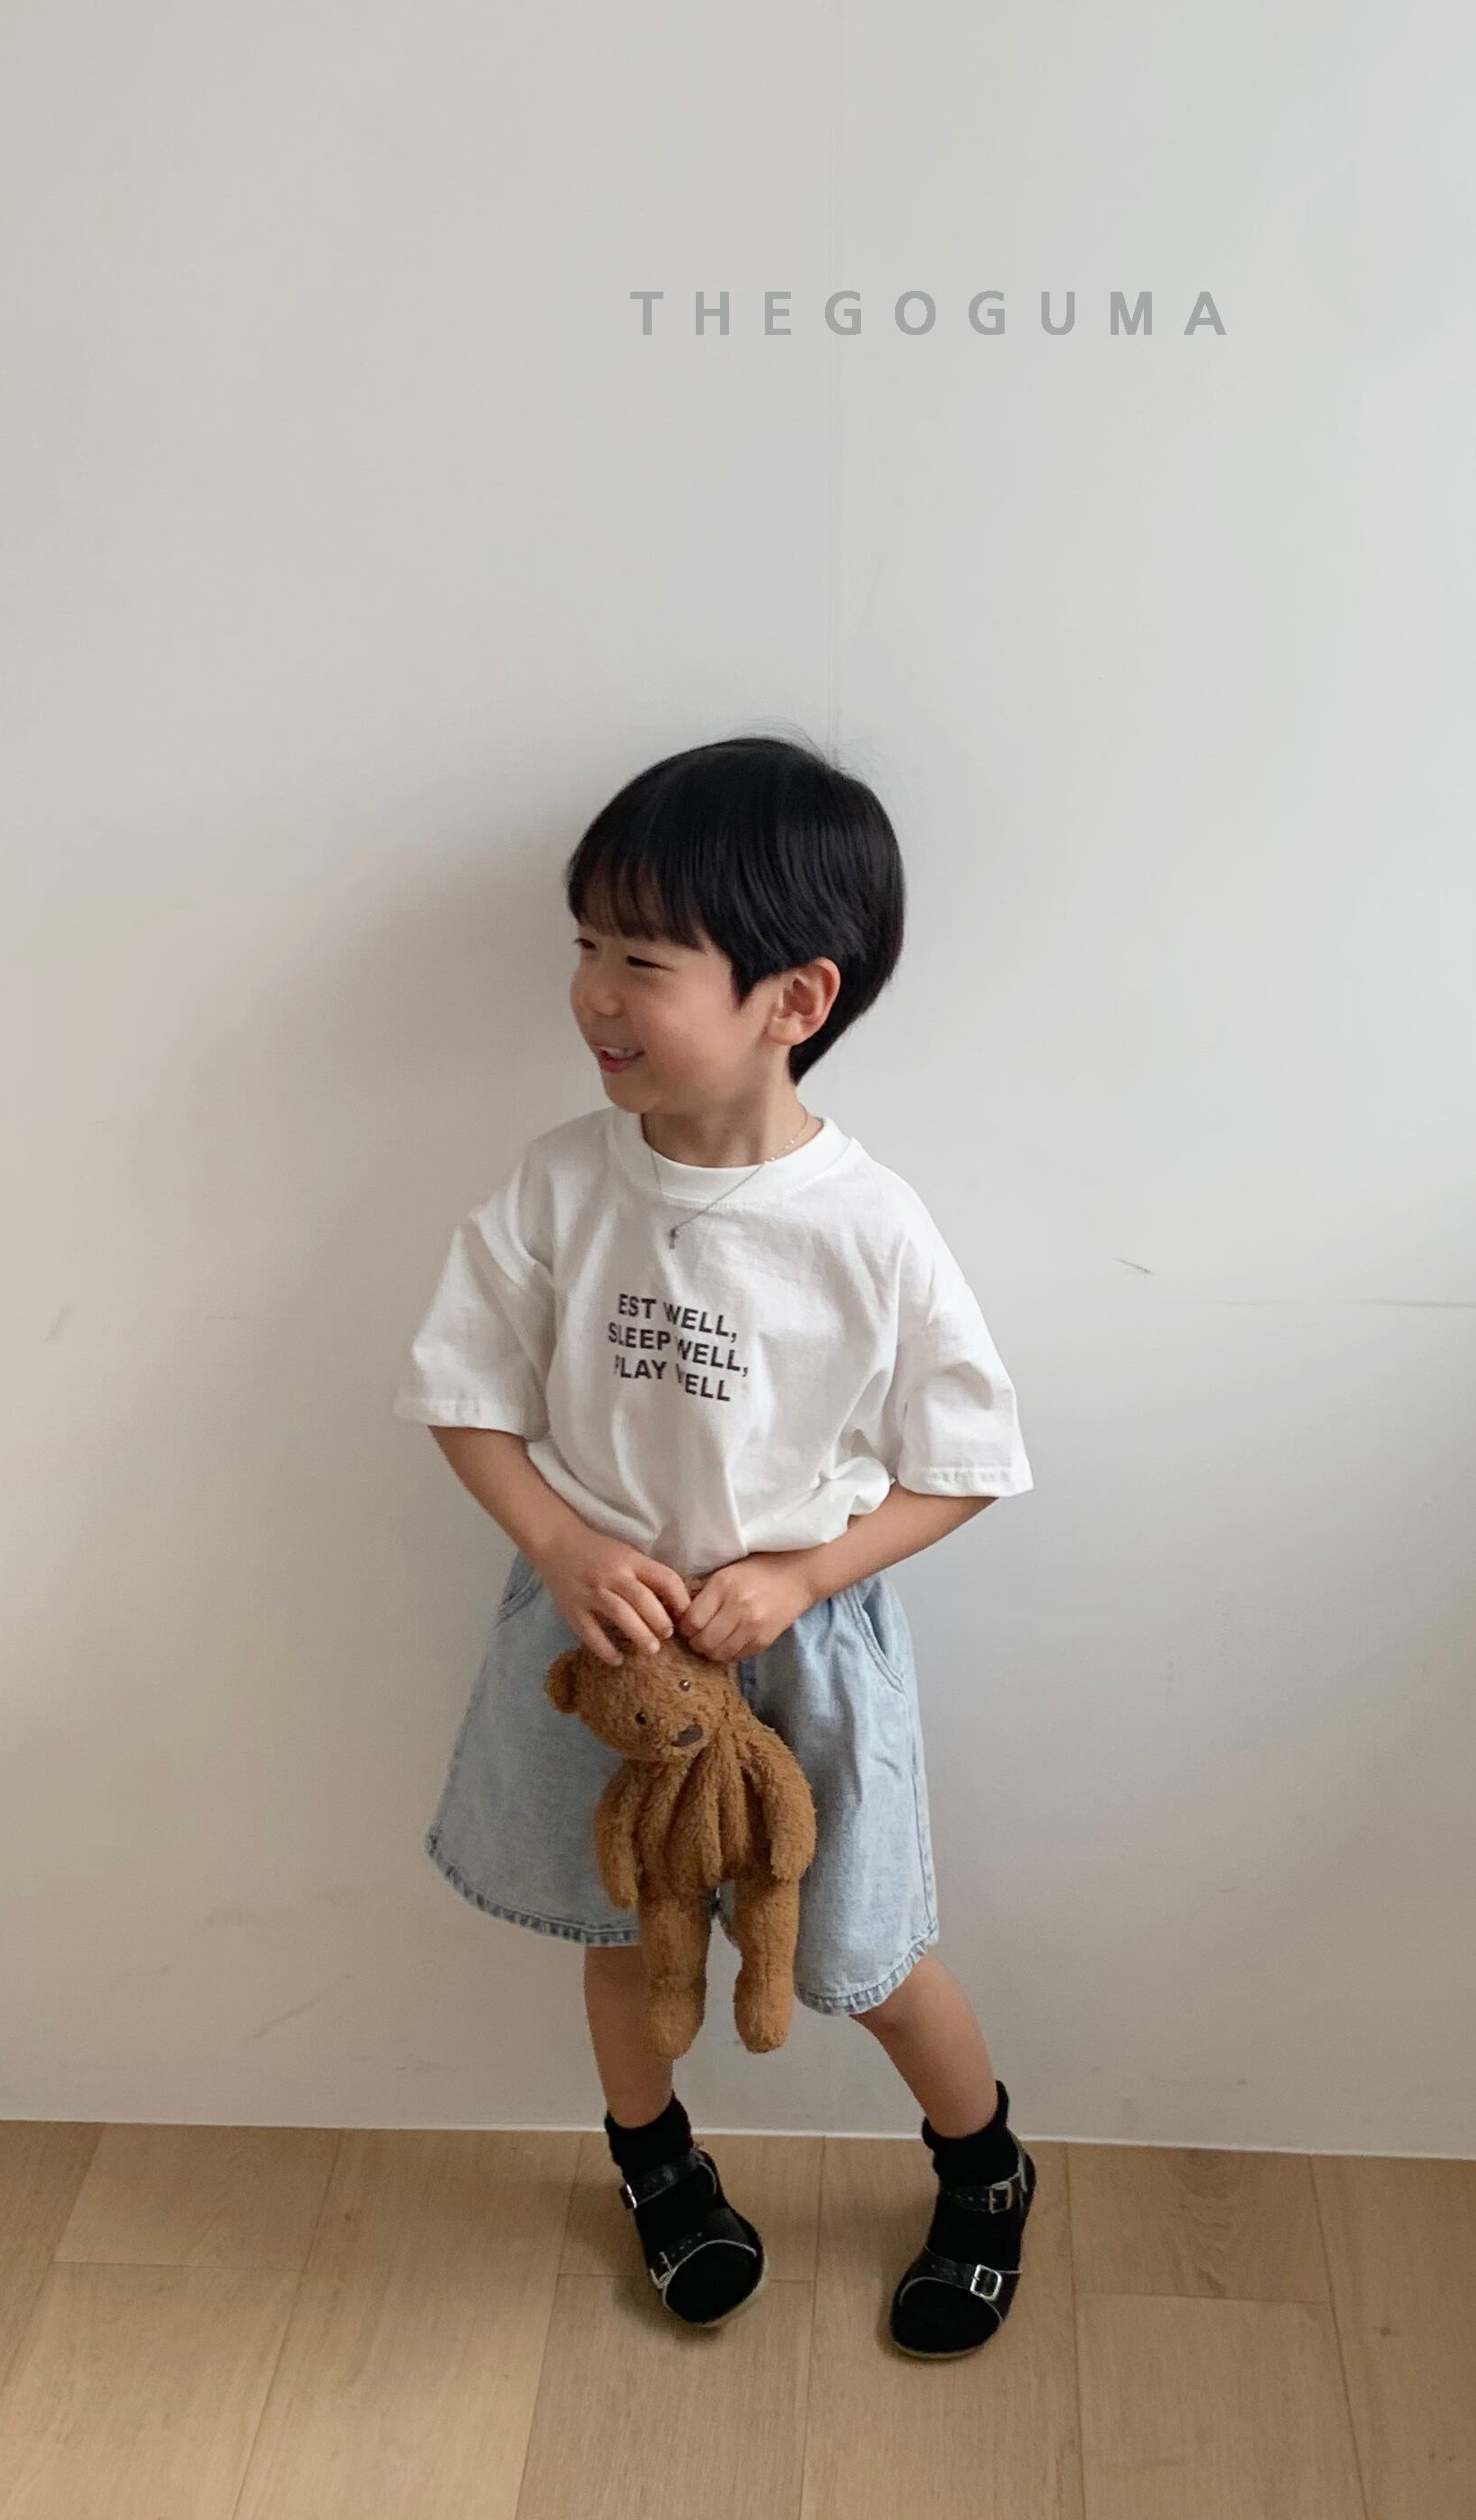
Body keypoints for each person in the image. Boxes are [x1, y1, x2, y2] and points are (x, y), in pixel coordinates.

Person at [399, 733, 1038, 2355]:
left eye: (643, 959)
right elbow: (464, 1398)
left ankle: (984, 2166)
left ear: (792, 999)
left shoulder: (868, 1226)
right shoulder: (563, 1185)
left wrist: (807, 1575)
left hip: (797, 1653)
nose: (593, 994)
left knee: (867, 1950)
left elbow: (967, 1463)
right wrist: (559, 1543)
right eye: (586, 947)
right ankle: (655, 2163)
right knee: (625, 1924)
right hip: (600, 1647)